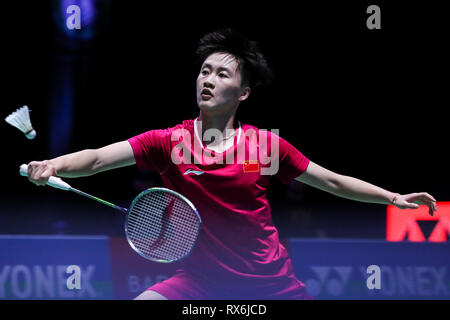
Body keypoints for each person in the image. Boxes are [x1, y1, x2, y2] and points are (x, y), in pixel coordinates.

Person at [25, 28, 437, 300]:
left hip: (270, 282)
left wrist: (392, 197)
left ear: (243, 93)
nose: (208, 79)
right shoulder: (168, 142)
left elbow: (331, 181)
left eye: (222, 74)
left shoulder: (265, 146)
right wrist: (53, 164)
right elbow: (97, 159)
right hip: (200, 282)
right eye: (204, 71)